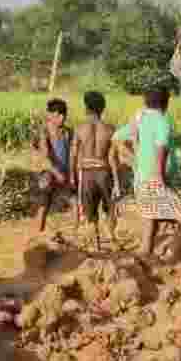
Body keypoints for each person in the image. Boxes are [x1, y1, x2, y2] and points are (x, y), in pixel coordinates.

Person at [113, 85, 181, 265]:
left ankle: (144, 264)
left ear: (146, 101)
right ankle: (172, 259)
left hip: (141, 181)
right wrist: (159, 176)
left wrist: (133, 160)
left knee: (151, 225)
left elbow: (117, 138)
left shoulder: (140, 119)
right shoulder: (162, 121)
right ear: (166, 102)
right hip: (154, 181)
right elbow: (161, 148)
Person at [70, 90, 120, 249]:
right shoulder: (110, 129)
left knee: (89, 211)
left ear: (86, 109)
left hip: (86, 174)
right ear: (102, 109)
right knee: (110, 208)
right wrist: (117, 181)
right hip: (104, 172)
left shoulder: (79, 129)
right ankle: (112, 238)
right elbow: (113, 158)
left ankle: (96, 243)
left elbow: (73, 156)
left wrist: (72, 176)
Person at [34, 98, 75, 234]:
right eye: (58, 115)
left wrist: (71, 175)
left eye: (64, 114)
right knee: (44, 203)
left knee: (77, 201)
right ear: (50, 115)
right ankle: (38, 234)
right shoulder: (44, 133)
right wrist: (57, 173)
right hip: (49, 173)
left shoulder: (68, 132)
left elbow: (72, 155)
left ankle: (79, 235)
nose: (62, 118)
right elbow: (45, 158)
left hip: (64, 173)